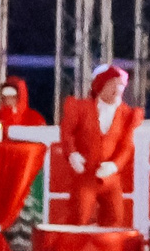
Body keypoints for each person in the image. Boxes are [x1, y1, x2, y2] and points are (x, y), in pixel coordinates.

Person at [58, 64, 141, 227]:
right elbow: (67, 133)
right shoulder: (81, 108)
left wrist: (115, 165)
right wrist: (72, 154)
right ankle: (75, 250)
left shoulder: (126, 114)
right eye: (114, 85)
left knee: (115, 218)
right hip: (86, 175)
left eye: (121, 86)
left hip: (109, 178)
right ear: (101, 85)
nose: (118, 90)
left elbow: (126, 146)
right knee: (79, 217)